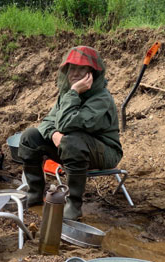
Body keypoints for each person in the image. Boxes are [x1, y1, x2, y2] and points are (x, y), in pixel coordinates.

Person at [18, 46, 122, 220]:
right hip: (72, 146)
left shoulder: (101, 98)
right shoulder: (67, 94)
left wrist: (74, 92)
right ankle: (35, 194)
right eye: (72, 68)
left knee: (72, 141)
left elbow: (67, 123)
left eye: (81, 68)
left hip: (105, 151)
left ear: (92, 73)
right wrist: (53, 135)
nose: (75, 73)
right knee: (30, 136)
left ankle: (73, 204)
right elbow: (47, 122)